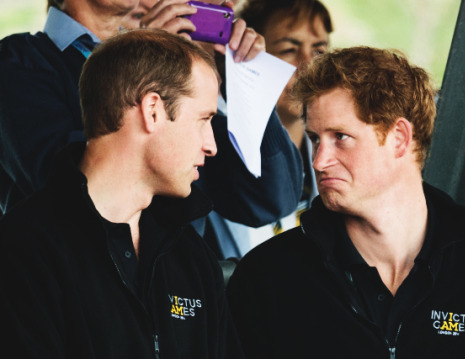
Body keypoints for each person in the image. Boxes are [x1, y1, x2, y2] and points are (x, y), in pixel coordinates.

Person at [226, 46, 465, 358]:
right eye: (315, 139)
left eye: (340, 137)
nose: (318, 161)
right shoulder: (267, 278)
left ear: (399, 138)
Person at [0, 29, 244, 358]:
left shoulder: (192, 257)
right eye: (203, 120)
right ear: (153, 110)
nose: (211, 146)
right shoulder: (23, 249)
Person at [0, 0, 303, 261]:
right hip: (74, 292)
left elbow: (271, 199)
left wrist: (238, 80)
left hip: (173, 292)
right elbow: (66, 183)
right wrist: (147, 64)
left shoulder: (182, 69)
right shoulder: (19, 60)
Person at [121, 0, 304, 258]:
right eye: (212, 2)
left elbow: (273, 201)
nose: (228, 5)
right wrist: (150, 66)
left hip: (185, 277)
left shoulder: (213, 101)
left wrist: (244, 81)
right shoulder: (104, 65)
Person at [221, 0, 333, 255]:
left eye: (319, 51)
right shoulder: (213, 149)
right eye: (288, 50)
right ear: (247, 54)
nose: (307, 67)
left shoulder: (336, 161)